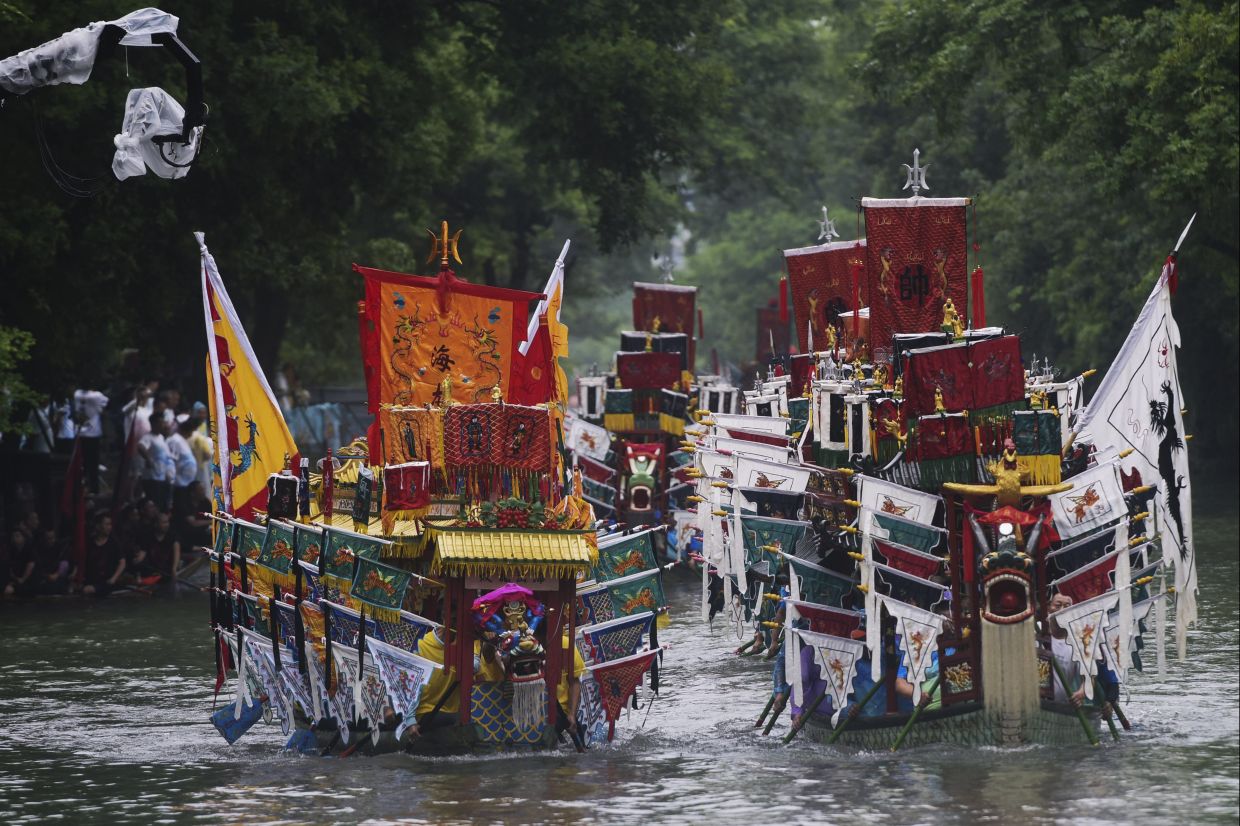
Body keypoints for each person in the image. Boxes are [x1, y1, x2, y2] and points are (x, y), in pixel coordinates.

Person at [1046, 592, 1087, 707]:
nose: (1062, 610)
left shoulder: (1077, 643)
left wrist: (1082, 692)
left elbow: (1089, 677)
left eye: (1067, 606)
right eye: (1058, 605)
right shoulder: (1035, 631)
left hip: (1058, 707)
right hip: (1031, 700)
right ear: (1049, 608)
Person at [72, 387, 109, 493]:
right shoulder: (96, 395)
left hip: (79, 432)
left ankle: (81, 486)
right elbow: (106, 404)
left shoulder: (77, 393)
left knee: (81, 463)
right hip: (93, 433)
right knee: (93, 464)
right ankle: (93, 488)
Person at [83, 511, 126, 596]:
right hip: (92, 580)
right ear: (98, 526)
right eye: (106, 524)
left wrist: (114, 578)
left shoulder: (114, 542)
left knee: (87, 590)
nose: (109, 527)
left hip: (107, 582)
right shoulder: (90, 542)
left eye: (110, 524)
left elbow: (122, 563)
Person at [167, 416, 198, 520]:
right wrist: (171, 480)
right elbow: (171, 462)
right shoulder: (175, 440)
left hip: (186, 485)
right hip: (178, 485)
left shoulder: (183, 440)